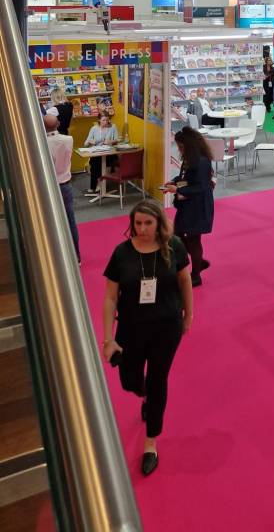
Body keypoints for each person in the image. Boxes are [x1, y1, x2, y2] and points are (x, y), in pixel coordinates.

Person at [102, 200, 193, 477]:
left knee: (157, 380)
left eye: (148, 223)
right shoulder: (122, 253)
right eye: (138, 223)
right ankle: (144, 394)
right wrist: (108, 338)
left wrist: (188, 315)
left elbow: (184, 280)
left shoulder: (174, 246)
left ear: (158, 223)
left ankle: (151, 442)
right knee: (129, 379)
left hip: (166, 327)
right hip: (131, 328)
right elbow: (110, 297)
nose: (142, 229)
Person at [165, 127, 215, 288]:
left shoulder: (201, 161)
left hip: (198, 206)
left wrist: (177, 189)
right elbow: (186, 178)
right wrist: (174, 182)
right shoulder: (190, 158)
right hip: (188, 204)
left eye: (181, 146)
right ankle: (198, 261)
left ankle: (196, 275)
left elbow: (200, 186)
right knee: (177, 234)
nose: (179, 149)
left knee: (193, 239)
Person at [44, 113, 80, 263]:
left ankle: (54, 257)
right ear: (58, 124)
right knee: (70, 220)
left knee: (48, 221)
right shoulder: (68, 139)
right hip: (65, 184)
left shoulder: (42, 143)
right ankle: (76, 256)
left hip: (49, 186)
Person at [84, 113, 119, 195]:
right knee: (94, 162)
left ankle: (99, 184)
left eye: (107, 120)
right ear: (99, 120)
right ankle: (95, 185)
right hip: (97, 152)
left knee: (98, 162)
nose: (106, 122)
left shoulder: (113, 127)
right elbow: (85, 144)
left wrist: (111, 141)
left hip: (109, 153)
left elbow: (117, 140)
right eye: (103, 120)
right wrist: (90, 142)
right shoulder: (94, 129)